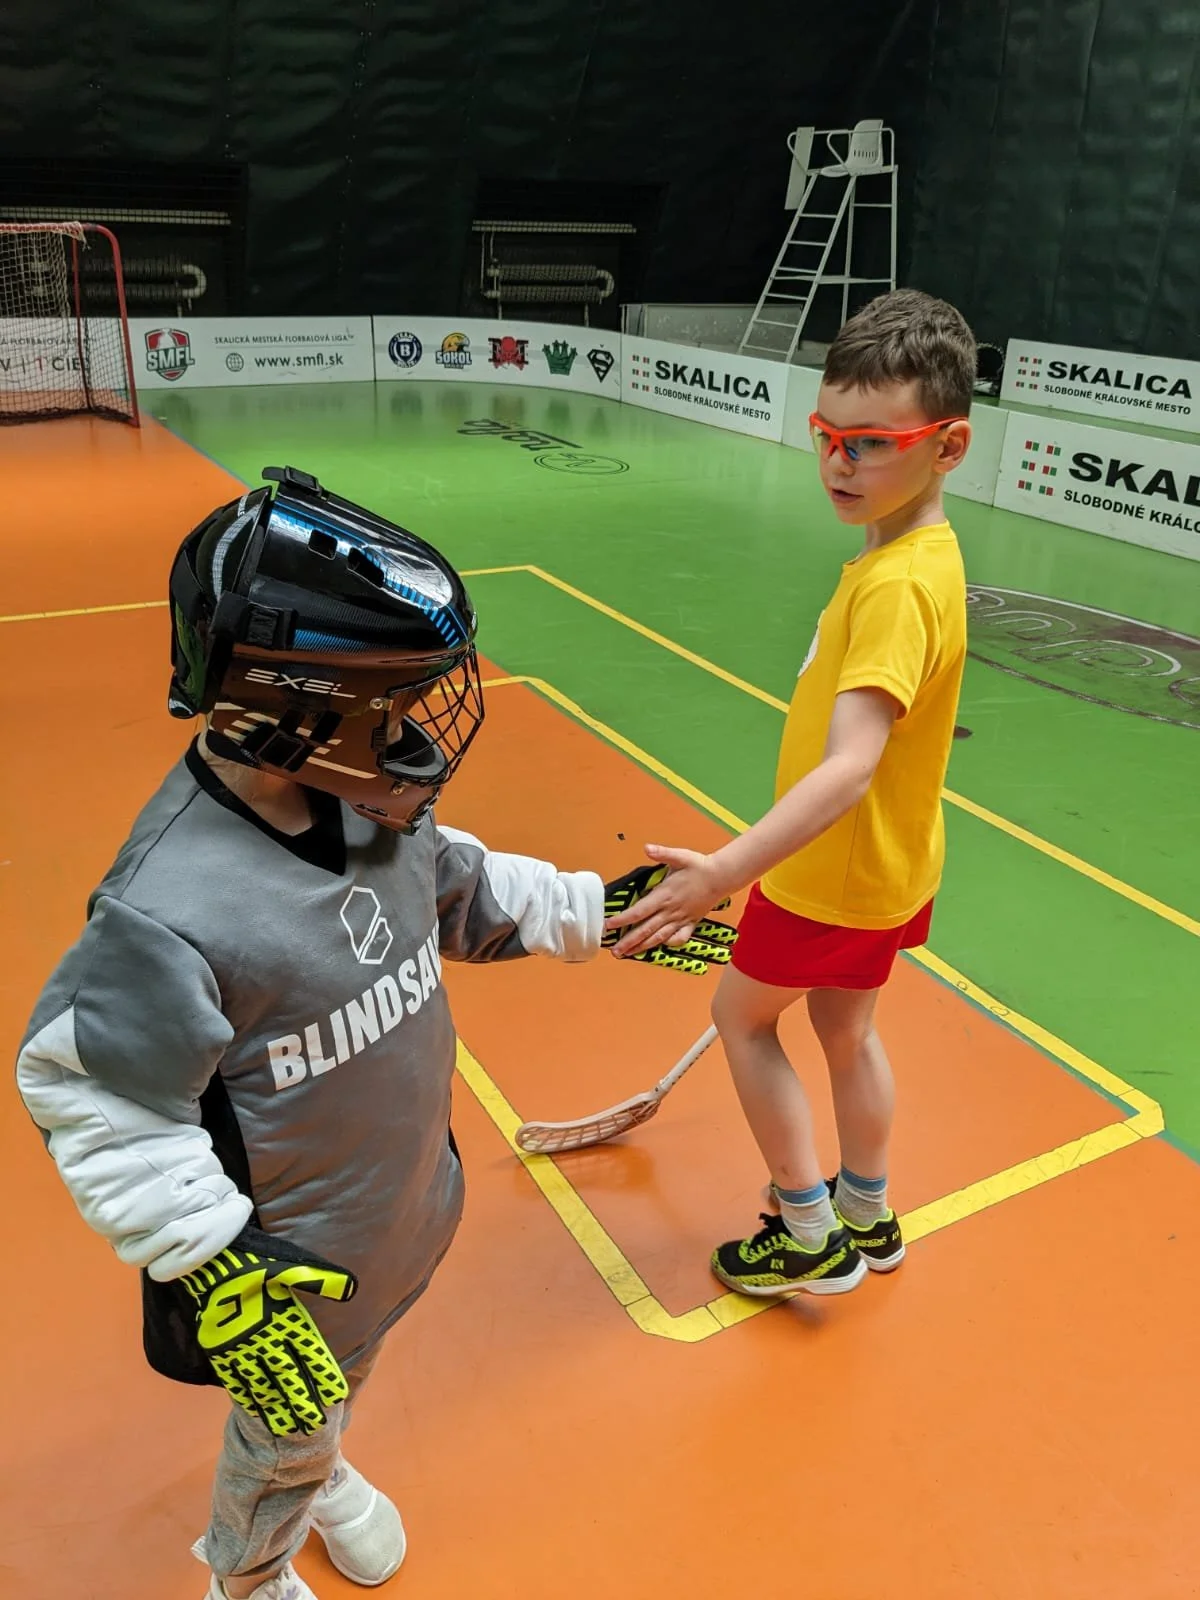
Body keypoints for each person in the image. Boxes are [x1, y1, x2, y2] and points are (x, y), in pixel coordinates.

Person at [16, 466, 731, 1600]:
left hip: (391, 1222)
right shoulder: (170, 909)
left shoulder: (361, 799)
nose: (412, 732)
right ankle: (245, 1574)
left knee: (332, 1392)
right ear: (291, 705)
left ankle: (321, 1462)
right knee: (279, 1434)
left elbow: (454, 883)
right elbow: (91, 1089)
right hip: (289, 1269)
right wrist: (218, 1267)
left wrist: (601, 912)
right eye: (386, 705)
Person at [606, 288, 974, 1299]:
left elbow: (852, 763)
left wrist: (722, 872)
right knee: (847, 1031)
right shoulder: (916, 557)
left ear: (949, 447)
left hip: (826, 872)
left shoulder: (898, 584)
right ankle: (869, 1212)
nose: (838, 465)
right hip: (893, 865)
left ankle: (806, 1228)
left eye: (870, 444)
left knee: (745, 1018)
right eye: (826, 437)